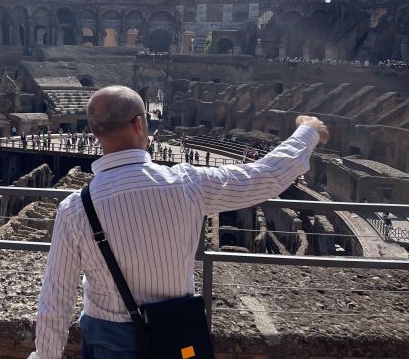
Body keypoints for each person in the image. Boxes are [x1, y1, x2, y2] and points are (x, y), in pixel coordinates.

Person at [29, 85, 329, 359]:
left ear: (93, 132)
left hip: (109, 342)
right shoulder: (187, 183)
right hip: (175, 335)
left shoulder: (75, 208)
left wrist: (44, 356)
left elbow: (56, 299)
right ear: (139, 124)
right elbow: (265, 177)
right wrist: (308, 132)